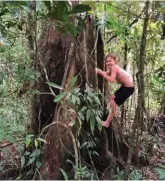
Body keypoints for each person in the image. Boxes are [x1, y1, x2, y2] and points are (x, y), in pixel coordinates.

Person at [96, 54, 134, 127]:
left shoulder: (114, 67)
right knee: (113, 98)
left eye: (110, 61)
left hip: (128, 88)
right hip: (124, 87)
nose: (108, 63)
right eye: (106, 62)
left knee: (114, 102)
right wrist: (99, 71)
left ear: (115, 61)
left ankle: (107, 122)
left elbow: (112, 80)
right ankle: (108, 110)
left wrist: (101, 73)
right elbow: (106, 73)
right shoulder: (112, 69)